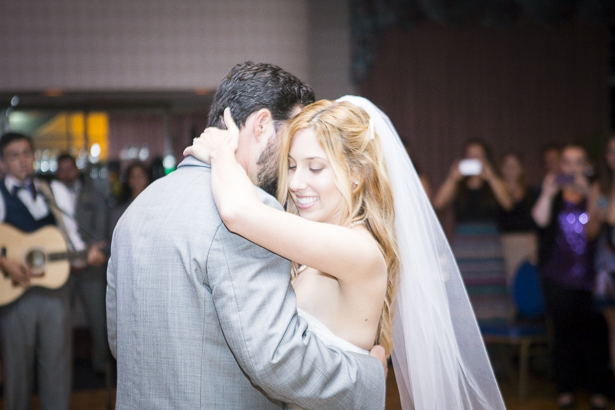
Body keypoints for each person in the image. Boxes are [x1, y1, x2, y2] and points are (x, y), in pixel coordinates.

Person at [186, 96, 506, 409]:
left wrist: (221, 153)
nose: (296, 182)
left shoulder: (356, 248)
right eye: (293, 166)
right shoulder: (325, 243)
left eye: (315, 168)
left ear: (356, 174)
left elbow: (238, 212)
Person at [106, 62, 388, 410]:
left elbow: (120, 340)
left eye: (313, 166)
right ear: (261, 125)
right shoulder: (255, 210)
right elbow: (275, 358)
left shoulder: (139, 208)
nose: (295, 181)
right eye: (290, 159)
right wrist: (369, 378)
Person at [0, 132, 101, 410]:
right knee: (17, 372)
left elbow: (71, 240)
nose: (22, 160)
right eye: (13, 155)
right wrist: (6, 263)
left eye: (26, 153)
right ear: (2, 163)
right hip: (14, 294)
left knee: (57, 368)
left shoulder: (54, 190)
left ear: (34, 156)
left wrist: (85, 256)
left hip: (56, 292)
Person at [532, 143, 610, 410]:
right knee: (563, 335)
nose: (572, 167)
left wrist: (588, 192)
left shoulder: (597, 189)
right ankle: (565, 390)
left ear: (586, 165)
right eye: (567, 162)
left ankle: (598, 390)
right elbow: (539, 221)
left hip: (591, 275)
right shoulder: (554, 193)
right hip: (557, 276)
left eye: (578, 162)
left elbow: (599, 222)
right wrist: (546, 192)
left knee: (594, 336)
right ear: (561, 165)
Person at [433, 139, 513, 320]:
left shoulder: (493, 183)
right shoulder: (459, 184)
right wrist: (453, 178)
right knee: (466, 290)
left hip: (490, 246)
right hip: (465, 246)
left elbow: (508, 204)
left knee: (491, 290)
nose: (474, 160)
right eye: (470, 156)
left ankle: (495, 338)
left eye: (479, 156)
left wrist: (491, 177)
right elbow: (438, 203)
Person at [52, 153, 109, 373]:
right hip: (61, 267)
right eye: (62, 169)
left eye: (70, 168)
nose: (66, 173)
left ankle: (101, 365)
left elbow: (101, 231)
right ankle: (63, 369)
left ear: (77, 169)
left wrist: (84, 256)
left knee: (97, 320)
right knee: (60, 322)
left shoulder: (93, 195)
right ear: (57, 172)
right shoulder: (51, 195)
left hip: (90, 267)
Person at [592, 136, 615, 387]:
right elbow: (592, 230)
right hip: (608, 265)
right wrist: (596, 215)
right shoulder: (602, 189)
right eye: (610, 152)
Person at [498, 152, 539, 282]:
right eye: (507, 166)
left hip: (526, 243)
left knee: (526, 285)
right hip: (502, 243)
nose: (510, 171)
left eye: (514, 166)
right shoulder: (494, 192)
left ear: (521, 169)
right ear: (502, 168)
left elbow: (536, 221)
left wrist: (535, 247)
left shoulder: (530, 193)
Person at [109, 161, 150, 235]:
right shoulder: (120, 209)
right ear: (128, 180)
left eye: (140, 176)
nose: (137, 180)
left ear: (147, 178)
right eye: (134, 177)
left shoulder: (155, 206)